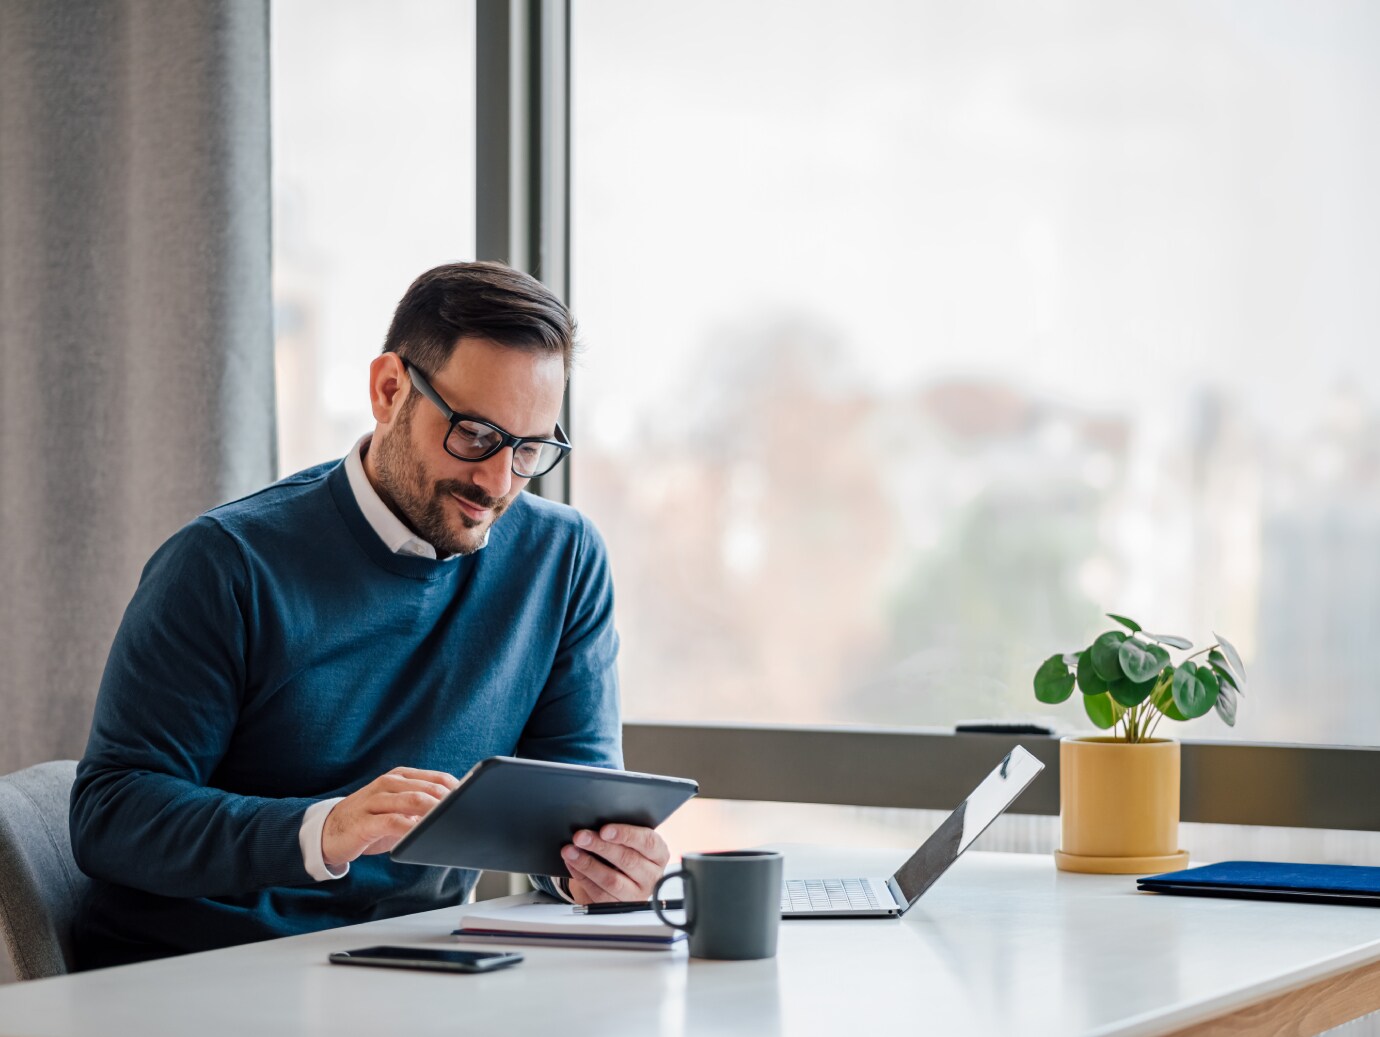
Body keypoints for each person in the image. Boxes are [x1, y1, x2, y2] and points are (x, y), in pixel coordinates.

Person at [69, 261, 668, 969]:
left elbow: (571, 814)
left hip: (418, 968)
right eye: (475, 434)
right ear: (389, 390)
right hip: (201, 971)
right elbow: (111, 815)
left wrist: (602, 865)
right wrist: (325, 827)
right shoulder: (225, 563)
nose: (498, 480)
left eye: (529, 448)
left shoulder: (562, 563)